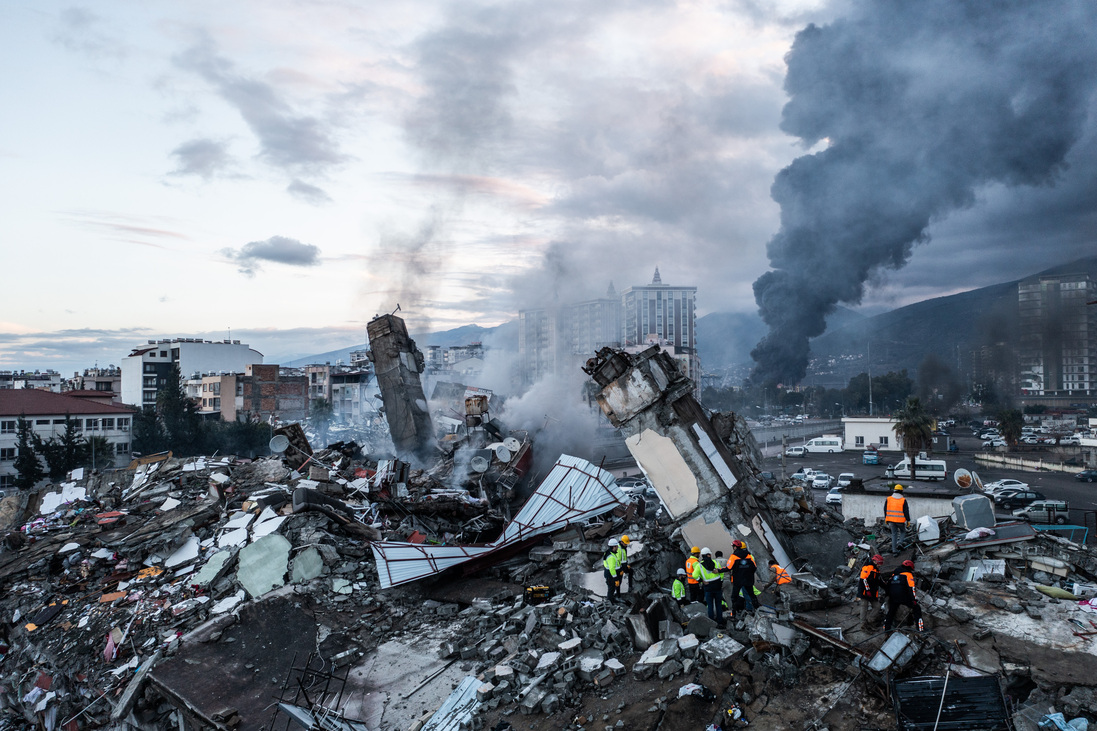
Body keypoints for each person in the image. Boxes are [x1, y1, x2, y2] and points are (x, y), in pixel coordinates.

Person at [883, 559, 924, 632]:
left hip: (893, 597)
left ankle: (886, 629)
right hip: (903, 597)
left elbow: (888, 585)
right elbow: (911, 588)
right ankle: (920, 629)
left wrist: (887, 596)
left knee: (891, 612)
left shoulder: (894, 575)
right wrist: (913, 600)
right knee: (917, 608)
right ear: (910, 568)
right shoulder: (908, 574)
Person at [692, 547, 724, 625]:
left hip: (708, 586)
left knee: (710, 605)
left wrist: (701, 581)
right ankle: (720, 621)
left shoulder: (699, 566)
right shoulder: (715, 562)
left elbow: (694, 575)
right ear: (709, 554)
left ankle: (711, 622)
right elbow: (721, 572)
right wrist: (721, 581)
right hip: (717, 585)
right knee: (718, 604)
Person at [729, 545, 757, 617]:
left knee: (743, 594)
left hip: (740, 579)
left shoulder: (738, 557)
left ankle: (748, 609)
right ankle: (753, 609)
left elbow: (732, 568)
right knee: (749, 594)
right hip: (748, 579)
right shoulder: (750, 556)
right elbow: (753, 568)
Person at [858, 554, 884, 627]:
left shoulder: (877, 570)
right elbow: (863, 579)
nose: (880, 565)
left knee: (877, 606)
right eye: (879, 563)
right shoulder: (867, 567)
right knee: (864, 606)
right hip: (865, 591)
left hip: (872, 592)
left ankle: (870, 619)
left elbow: (879, 582)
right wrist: (867, 590)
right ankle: (862, 623)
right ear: (875, 561)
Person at [884, 485, 911, 555]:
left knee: (894, 534)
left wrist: (886, 519)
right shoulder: (903, 500)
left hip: (891, 520)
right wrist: (908, 520)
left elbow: (885, 509)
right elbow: (906, 511)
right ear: (901, 491)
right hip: (900, 521)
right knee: (903, 531)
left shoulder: (889, 499)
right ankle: (900, 543)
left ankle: (894, 550)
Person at [603, 538, 621, 603]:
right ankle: (610, 602)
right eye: (617, 546)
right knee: (611, 589)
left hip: (608, 574)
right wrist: (616, 578)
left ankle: (612, 600)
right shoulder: (611, 557)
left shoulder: (608, 552)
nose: (618, 547)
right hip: (610, 576)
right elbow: (612, 569)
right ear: (614, 546)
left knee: (611, 589)